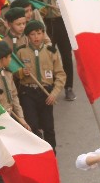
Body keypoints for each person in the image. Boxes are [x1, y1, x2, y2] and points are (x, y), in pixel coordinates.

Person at [16, 20, 66, 151]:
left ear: (44, 34)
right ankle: (38, 150)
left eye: (39, 33)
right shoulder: (21, 52)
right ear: (27, 36)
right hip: (28, 92)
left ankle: (51, 151)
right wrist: (21, 72)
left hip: (46, 93)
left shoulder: (51, 51)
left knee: (48, 126)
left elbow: (61, 75)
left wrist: (54, 93)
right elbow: (13, 73)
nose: (36, 37)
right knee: (32, 124)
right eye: (32, 34)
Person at [33, 0, 77, 102]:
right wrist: (41, 11)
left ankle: (68, 87)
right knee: (48, 54)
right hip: (47, 24)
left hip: (61, 23)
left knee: (66, 55)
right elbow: (36, 3)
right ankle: (50, 86)